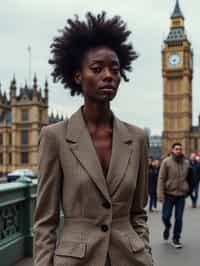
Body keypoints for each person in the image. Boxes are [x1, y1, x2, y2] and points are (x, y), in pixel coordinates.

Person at [33, 12, 153, 266]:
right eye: (97, 69)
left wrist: (145, 253)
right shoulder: (55, 137)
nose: (108, 75)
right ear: (78, 76)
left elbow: (138, 214)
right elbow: (45, 222)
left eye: (115, 70)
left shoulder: (137, 138)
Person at [157, 143, 190, 249]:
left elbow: (191, 178)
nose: (178, 151)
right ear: (172, 150)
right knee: (165, 216)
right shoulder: (166, 162)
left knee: (179, 218)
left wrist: (188, 190)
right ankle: (167, 226)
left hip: (181, 195)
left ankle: (176, 238)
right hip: (169, 194)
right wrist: (160, 195)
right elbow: (161, 178)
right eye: (176, 149)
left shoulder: (186, 163)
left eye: (180, 149)